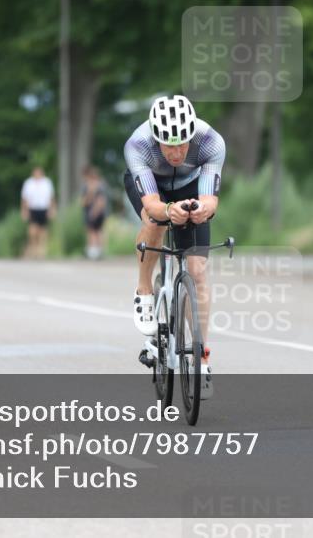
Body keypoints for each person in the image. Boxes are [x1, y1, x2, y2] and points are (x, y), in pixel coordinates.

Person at [123, 94, 225, 398]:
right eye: (168, 144)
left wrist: (201, 209)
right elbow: (153, 205)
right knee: (152, 221)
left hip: (191, 184)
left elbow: (210, 199)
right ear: (156, 138)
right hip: (151, 186)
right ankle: (144, 291)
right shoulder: (138, 144)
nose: (177, 151)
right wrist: (169, 212)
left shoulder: (210, 142)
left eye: (183, 143)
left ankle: (202, 359)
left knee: (197, 270)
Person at [21, 166, 56, 259]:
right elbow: (24, 198)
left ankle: (41, 250)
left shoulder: (47, 183)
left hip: (44, 208)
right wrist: (24, 210)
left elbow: (51, 197)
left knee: (42, 230)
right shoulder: (28, 183)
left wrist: (52, 210)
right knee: (32, 230)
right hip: (32, 208)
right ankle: (33, 248)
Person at [81, 165, 108, 260]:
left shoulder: (100, 186)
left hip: (95, 212)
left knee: (95, 231)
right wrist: (90, 193)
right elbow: (84, 202)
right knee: (94, 231)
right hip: (91, 211)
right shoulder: (86, 186)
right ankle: (94, 251)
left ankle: (96, 251)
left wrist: (94, 212)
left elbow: (101, 201)